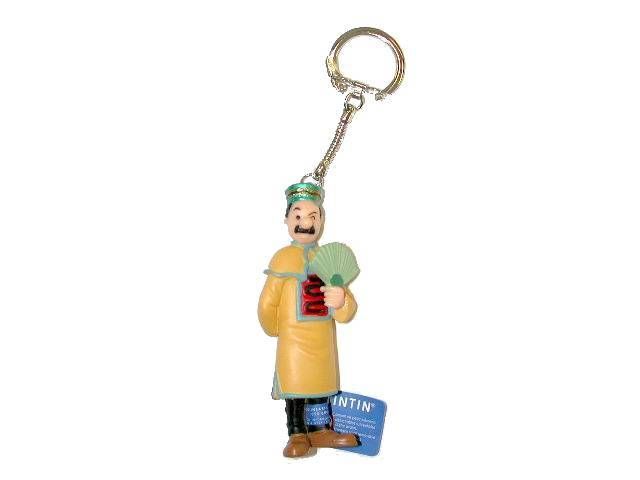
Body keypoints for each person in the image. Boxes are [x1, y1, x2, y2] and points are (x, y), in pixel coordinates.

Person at [258, 182, 359, 458]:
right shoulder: (282, 259)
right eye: (298, 216)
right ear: (287, 220)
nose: (305, 223)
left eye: (313, 216)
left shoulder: (326, 259)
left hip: (322, 342)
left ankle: (320, 429)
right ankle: (297, 433)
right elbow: (267, 303)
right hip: (293, 343)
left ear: (322, 220)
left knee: (319, 384)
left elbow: (346, 312)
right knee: (296, 387)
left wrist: (341, 301)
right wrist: (276, 329)